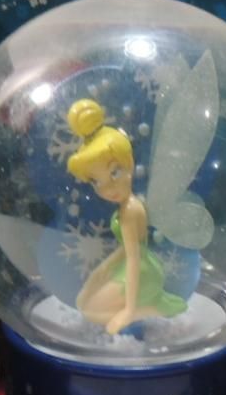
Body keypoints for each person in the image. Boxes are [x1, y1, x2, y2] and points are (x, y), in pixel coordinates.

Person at [65, 98, 187, 335]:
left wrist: (129, 311)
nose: (108, 188)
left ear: (129, 163)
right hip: (135, 265)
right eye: (96, 181)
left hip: (141, 271)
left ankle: (149, 310)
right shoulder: (124, 208)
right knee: (82, 300)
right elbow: (126, 250)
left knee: (90, 311)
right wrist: (103, 269)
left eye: (115, 172)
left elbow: (133, 258)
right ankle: (144, 307)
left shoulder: (131, 211)